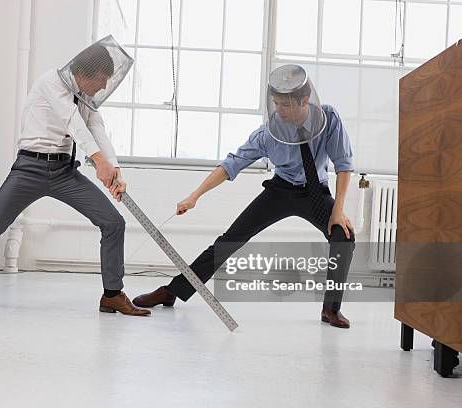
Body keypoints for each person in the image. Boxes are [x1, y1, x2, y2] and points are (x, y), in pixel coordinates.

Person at [0, 40, 150, 317]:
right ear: (85, 73)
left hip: (64, 172)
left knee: (113, 222)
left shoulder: (86, 95)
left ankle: (111, 295)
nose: (103, 87)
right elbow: (71, 121)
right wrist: (99, 162)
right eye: (101, 80)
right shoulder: (52, 81)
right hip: (29, 168)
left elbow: (96, 128)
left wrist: (115, 167)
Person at [133, 65, 356, 328]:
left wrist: (338, 210)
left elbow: (343, 164)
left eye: (285, 105)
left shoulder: (328, 118)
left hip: (315, 192)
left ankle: (331, 309)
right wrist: (195, 196)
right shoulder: (268, 133)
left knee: (344, 237)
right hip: (281, 190)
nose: (279, 110)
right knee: (230, 240)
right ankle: (172, 291)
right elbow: (230, 165)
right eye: (276, 103)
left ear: (305, 100)